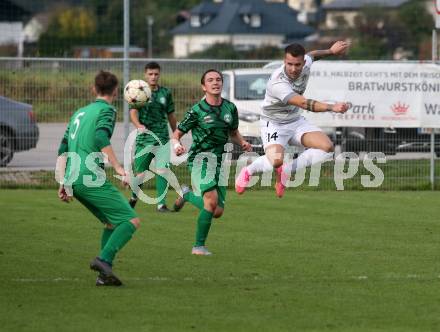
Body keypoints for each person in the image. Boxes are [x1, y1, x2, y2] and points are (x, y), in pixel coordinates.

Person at [57, 70, 140, 286]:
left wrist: (63, 181)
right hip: (88, 176)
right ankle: (103, 260)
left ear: (94, 89)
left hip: (73, 177)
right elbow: (100, 136)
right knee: (130, 220)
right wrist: (119, 167)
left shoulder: (79, 112)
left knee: (111, 222)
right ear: (115, 91)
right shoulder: (107, 110)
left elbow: (63, 146)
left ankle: (104, 275)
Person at [235, 41, 350, 196]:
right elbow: (303, 103)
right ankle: (249, 170)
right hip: (273, 124)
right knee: (276, 161)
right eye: (289, 64)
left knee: (327, 148)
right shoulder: (278, 82)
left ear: (303, 62)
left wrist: (330, 51)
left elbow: (312, 55)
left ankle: (287, 171)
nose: (293, 69)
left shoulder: (306, 62)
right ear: (284, 61)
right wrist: (331, 107)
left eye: (297, 64)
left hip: (295, 121)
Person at [172, 69, 251, 256]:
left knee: (217, 211)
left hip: (219, 162)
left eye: (218, 79)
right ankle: (198, 246)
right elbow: (176, 134)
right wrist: (177, 145)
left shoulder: (230, 108)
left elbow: (233, 132)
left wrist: (242, 142)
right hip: (200, 160)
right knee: (211, 201)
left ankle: (187, 195)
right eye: (210, 80)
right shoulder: (197, 111)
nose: (215, 82)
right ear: (203, 86)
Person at [128, 62, 177, 212]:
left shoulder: (165, 93)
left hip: (162, 137)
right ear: (145, 75)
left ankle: (161, 205)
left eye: (156, 74)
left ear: (159, 74)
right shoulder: (139, 92)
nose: (153, 77)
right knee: (141, 174)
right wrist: (138, 125)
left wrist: (176, 136)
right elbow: (133, 112)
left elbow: (171, 115)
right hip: (145, 138)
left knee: (162, 170)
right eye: (150, 74)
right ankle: (133, 197)